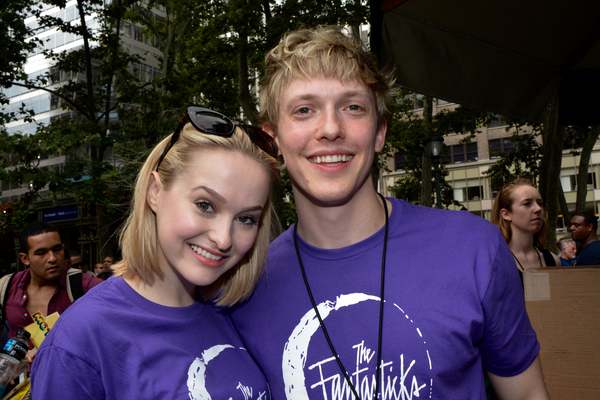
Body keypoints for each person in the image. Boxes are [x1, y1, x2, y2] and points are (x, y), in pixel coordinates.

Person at [230, 26, 549, 400]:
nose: (331, 129)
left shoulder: (473, 248)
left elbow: (527, 394)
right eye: (304, 110)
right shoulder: (243, 285)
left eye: (352, 107)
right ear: (273, 140)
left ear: (379, 132)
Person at [31, 107, 280, 399]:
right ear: (154, 191)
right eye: (205, 205)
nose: (224, 239)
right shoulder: (81, 342)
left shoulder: (242, 311)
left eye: (246, 218)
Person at [2, 221, 102, 347]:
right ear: (24, 258)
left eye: (57, 249)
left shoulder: (86, 285)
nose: (52, 258)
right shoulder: (7, 286)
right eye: (41, 253)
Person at [491, 179, 560, 280]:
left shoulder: (553, 260)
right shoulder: (494, 262)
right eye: (527, 204)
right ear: (506, 214)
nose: (538, 209)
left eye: (539, 203)